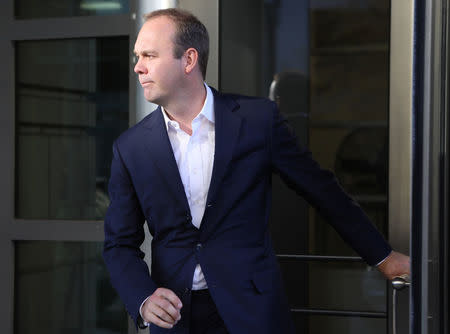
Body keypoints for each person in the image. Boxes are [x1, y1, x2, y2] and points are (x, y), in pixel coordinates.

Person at [103, 8, 410, 334]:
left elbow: (323, 191)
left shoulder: (257, 121)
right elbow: (119, 244)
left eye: (149, 55)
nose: (138, 66)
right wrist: (143, 298)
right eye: (138, 56)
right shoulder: (130, 148)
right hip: (178, 320)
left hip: (253, 313)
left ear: (188, 60)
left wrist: (384, 258)